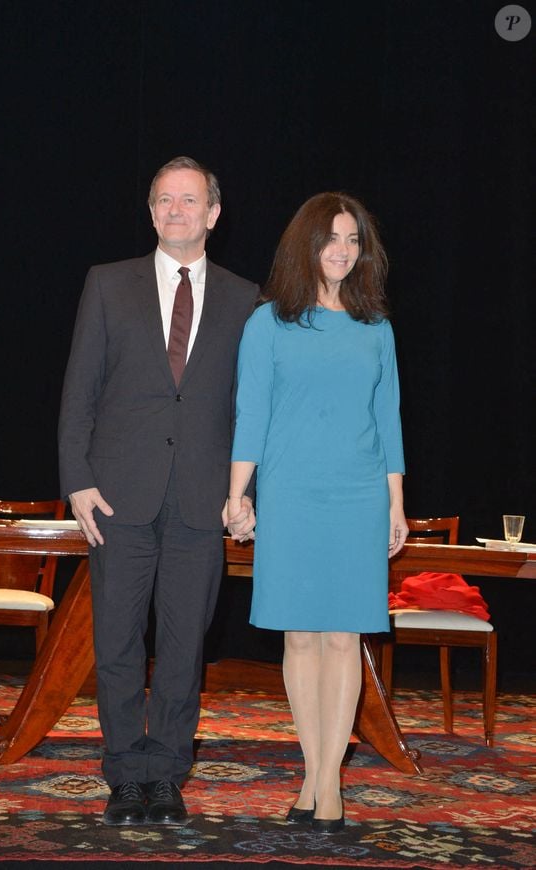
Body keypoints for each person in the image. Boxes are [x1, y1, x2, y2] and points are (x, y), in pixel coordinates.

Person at [59, 156, 258, 826]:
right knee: (115, 641)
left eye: (190, 199)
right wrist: (77, 480)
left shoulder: (244, 296)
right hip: (117, 499)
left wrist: (245, 491)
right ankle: (124, 774)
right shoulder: (107, 285)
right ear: (151, 212)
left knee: (182, 644)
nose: (177, 210)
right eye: (164, 200)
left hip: (202, 501)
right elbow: (78, 390)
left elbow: (249, 407)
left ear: (213, 213)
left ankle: (166, 773)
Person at [224, 192, 408, 834]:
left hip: (358, 497)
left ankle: (324, 786)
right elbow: (252, 415)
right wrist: (237, 493)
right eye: (331, 237)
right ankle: (317, 771)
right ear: (305, 245)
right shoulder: (268, 323)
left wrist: (396, 506)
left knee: (343, 638)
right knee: (300, 637)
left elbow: (388, 421)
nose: (342, 249)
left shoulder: (375, 327)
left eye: (353, 239)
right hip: (292, 494)